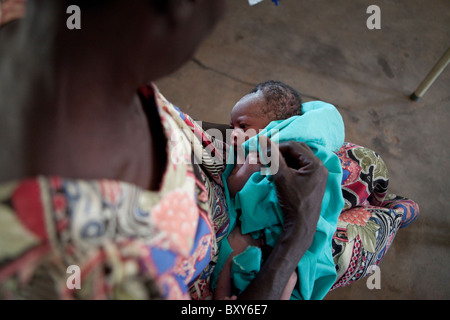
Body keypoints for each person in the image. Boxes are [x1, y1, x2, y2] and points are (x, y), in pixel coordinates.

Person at [0, 0, 331, 300]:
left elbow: (179, 127)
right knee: (369, 208)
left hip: (219, 203)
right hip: (237, 266)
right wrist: (297, 233)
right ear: (179, 7)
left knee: (361, 164)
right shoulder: (92, 266)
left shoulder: (42, 32)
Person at [212, 81, 346, 300]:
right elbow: (232, 187)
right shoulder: (244, 155)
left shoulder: (298, 145)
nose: (233, 134)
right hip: (258, 232)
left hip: (285, 225)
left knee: (288, 274)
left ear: (275, 125)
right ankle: (223, 295)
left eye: (242, 126)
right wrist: (247, 169)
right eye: (231, 126)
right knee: (230, 251)